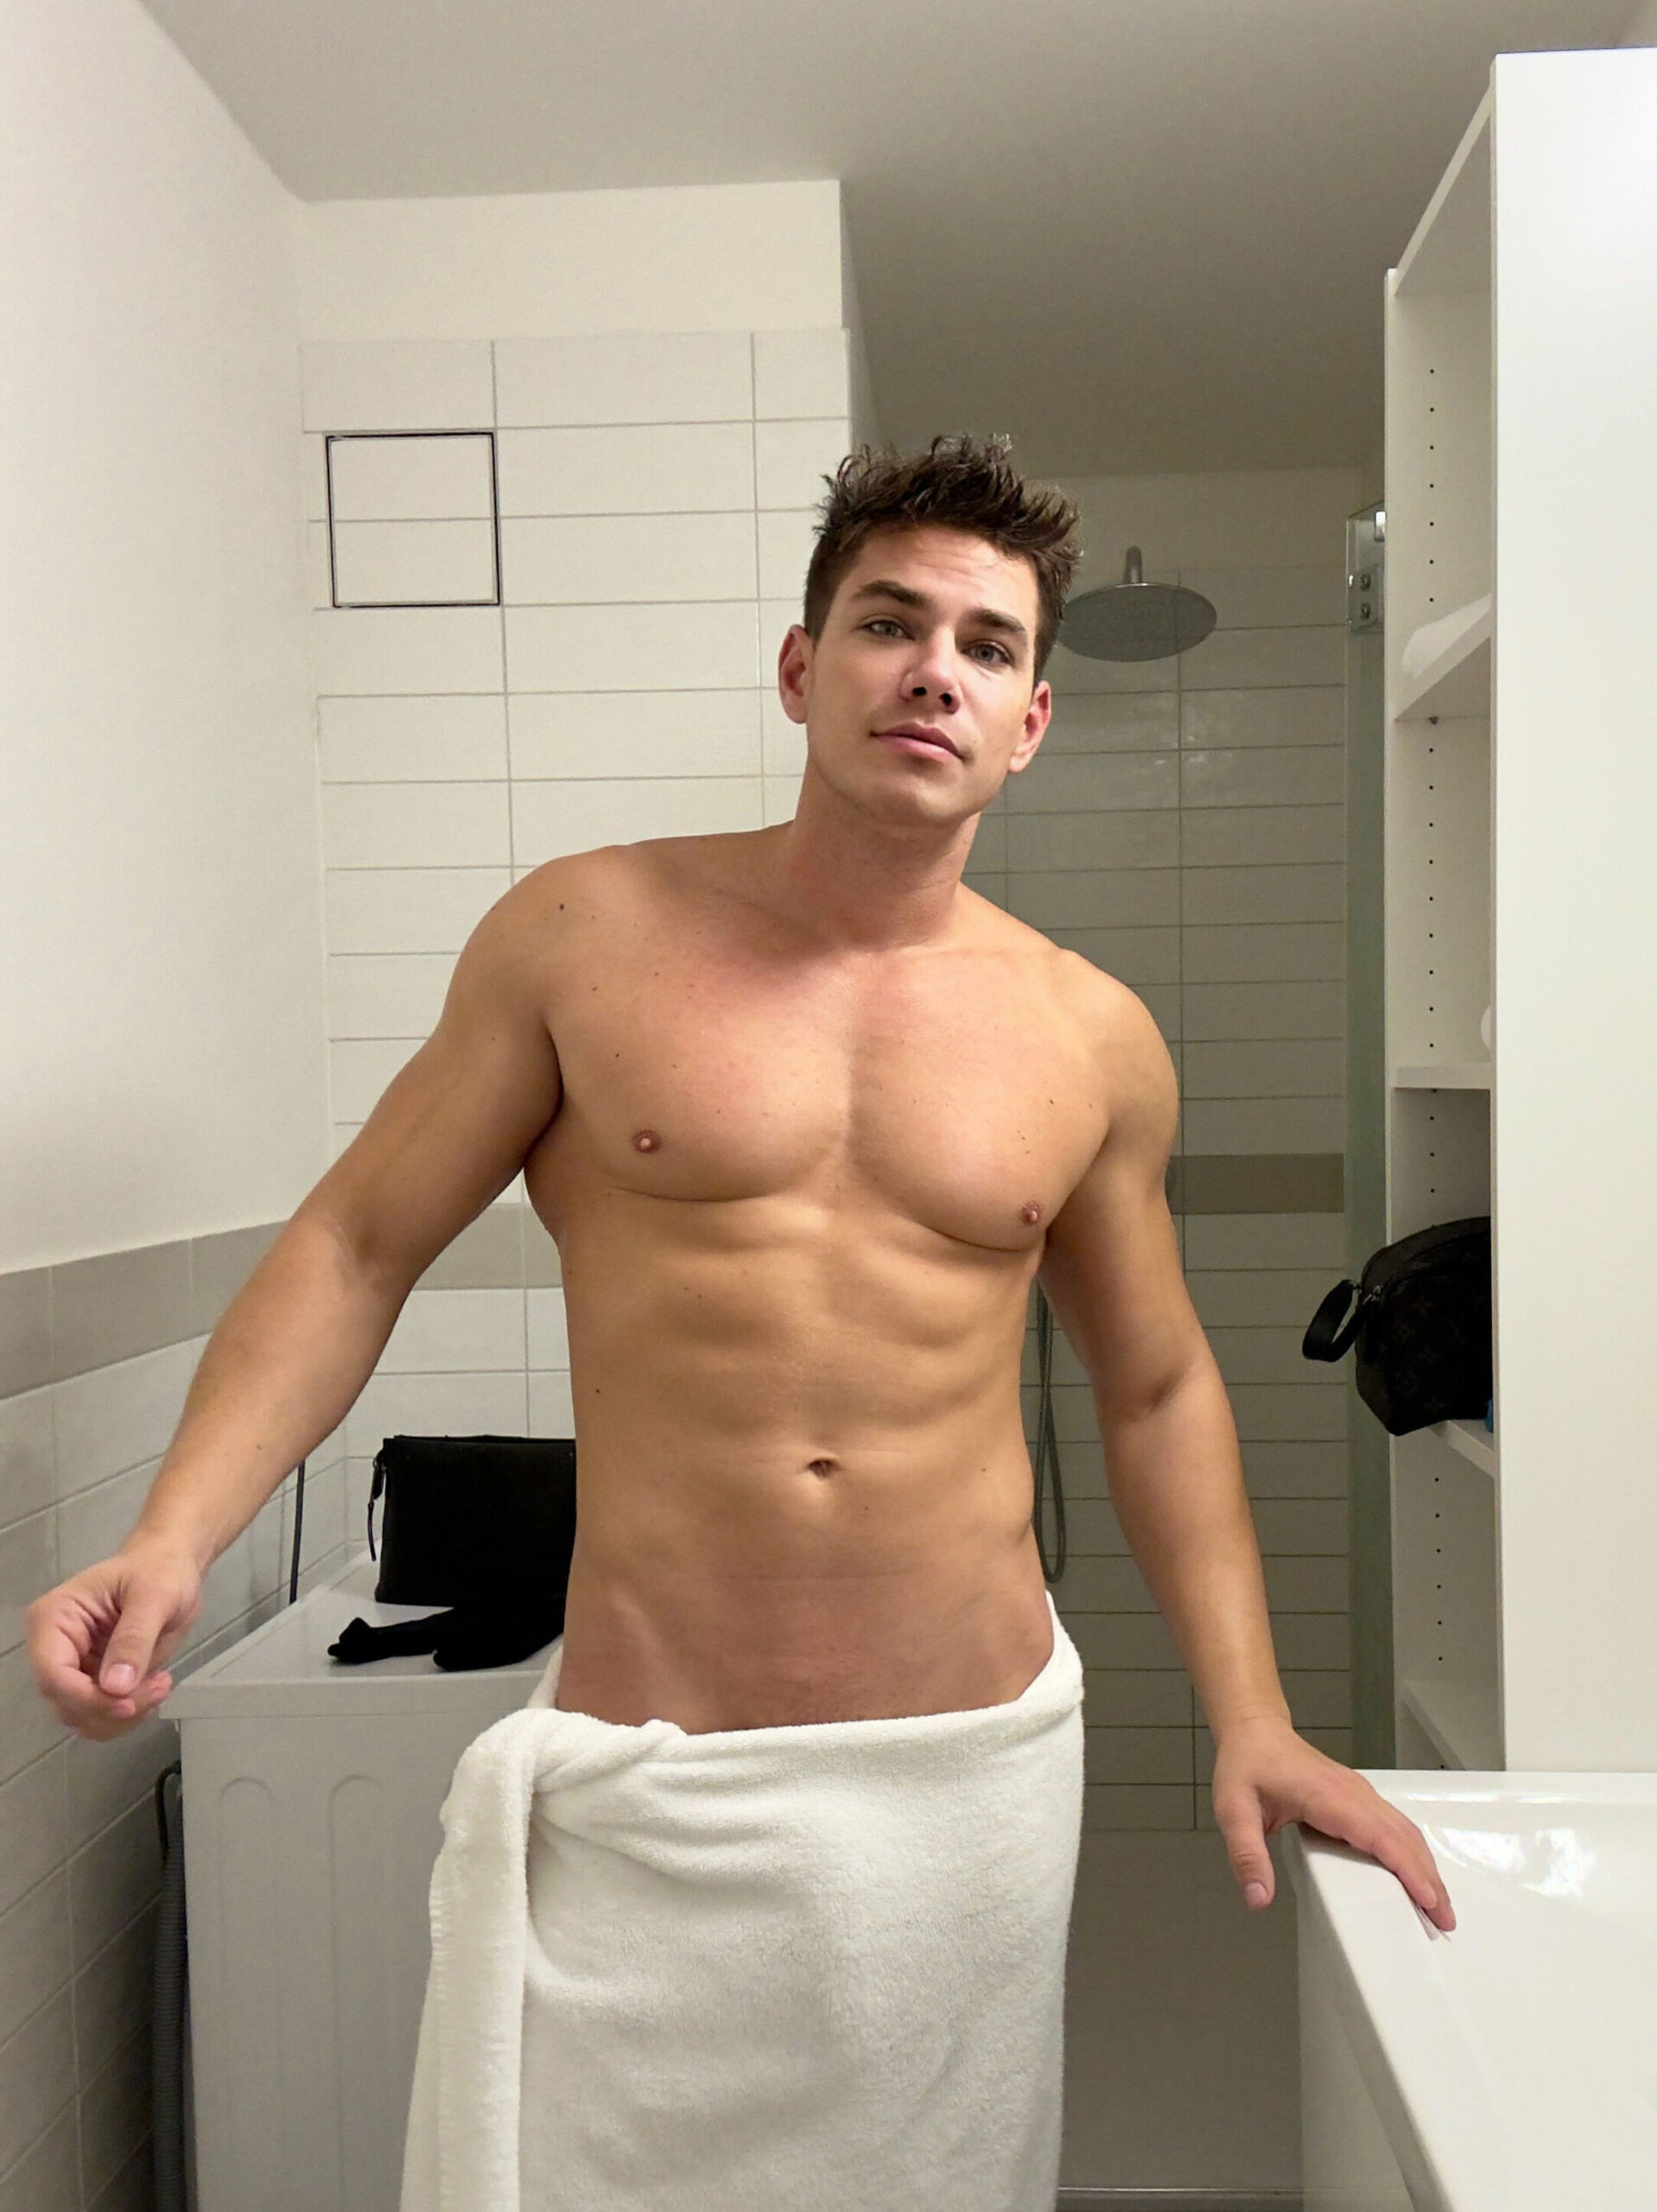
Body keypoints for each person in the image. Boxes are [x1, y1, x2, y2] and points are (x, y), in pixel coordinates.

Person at [28, 435, 1455, 2209]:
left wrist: (1252, 1711)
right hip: (659, 1779)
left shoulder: (1089, 1034)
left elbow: (1155, 1385)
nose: (933, 669)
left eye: (988, 646)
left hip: (961, 1775)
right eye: (888, 622)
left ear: (1029, 722)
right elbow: (356, 1243)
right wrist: (174, 1535)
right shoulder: (582, 932)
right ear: (801, 666)